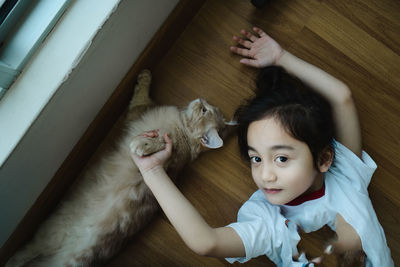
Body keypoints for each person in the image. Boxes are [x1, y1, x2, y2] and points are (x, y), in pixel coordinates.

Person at [130, 27, 394, 266]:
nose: (265, 175)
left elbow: (342, 97)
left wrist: (280, 58)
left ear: (323, 158)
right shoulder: (268, 219)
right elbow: (206, 242)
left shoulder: (345, 173)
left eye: (281, 158)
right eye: (256, 159)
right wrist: (152, 171)